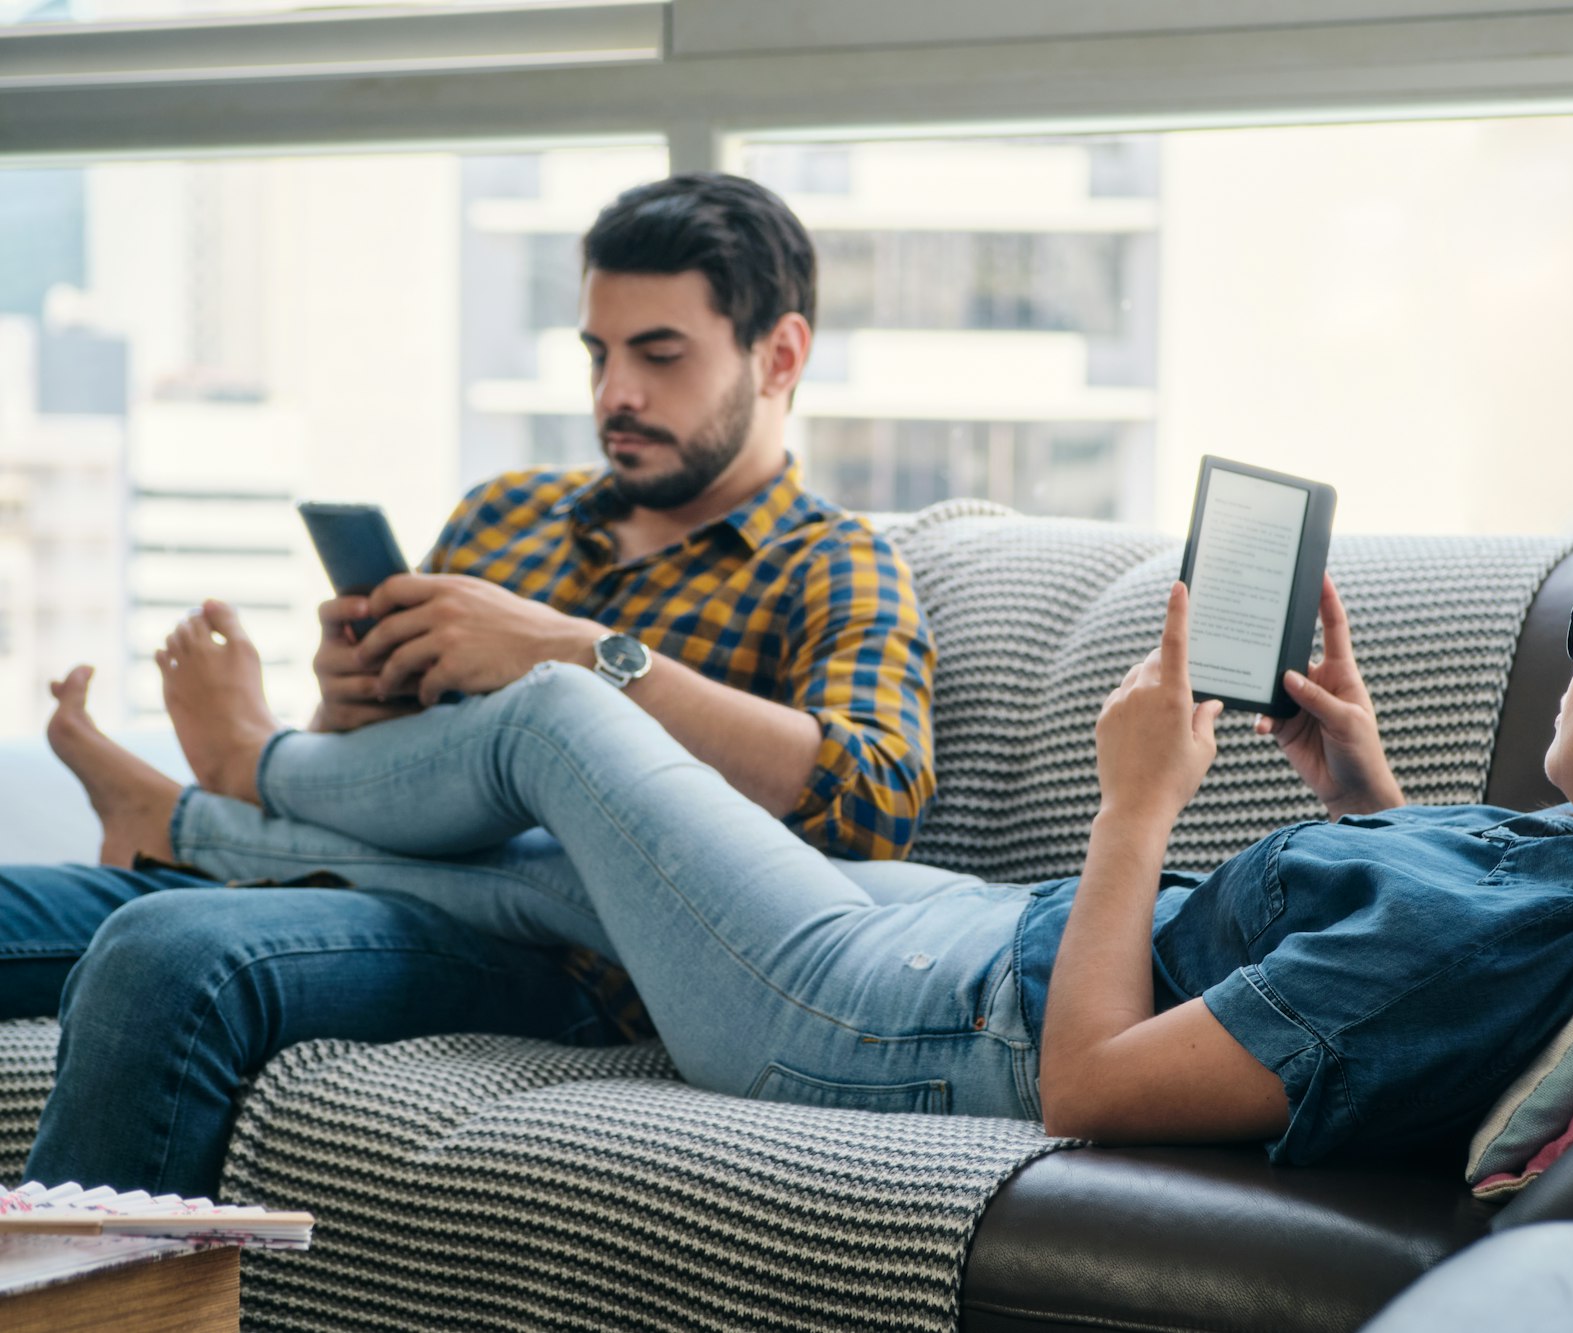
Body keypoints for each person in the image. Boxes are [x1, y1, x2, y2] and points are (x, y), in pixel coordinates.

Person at [26, 501, 1573, 1191]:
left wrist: (1139, 810)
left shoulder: (1510, 935)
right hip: (953, 929)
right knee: (553, 873)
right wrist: (1357, 780)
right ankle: (202, 830)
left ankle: (224, 791)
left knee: (551, 716)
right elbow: (1398, 941)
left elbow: (1097, 1090)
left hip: (881, 1020)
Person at [2, 172, 938, 1189]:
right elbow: (383, 762)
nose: (614, 393)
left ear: (780, 355)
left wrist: (580, 654)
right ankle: (215, 807)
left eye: (659, 354)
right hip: (356, 867)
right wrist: (349, 702)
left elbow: (872, 794)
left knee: (166, 952)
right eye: (597, 352)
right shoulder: (504, 514)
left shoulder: (830, 561)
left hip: (564, 956)